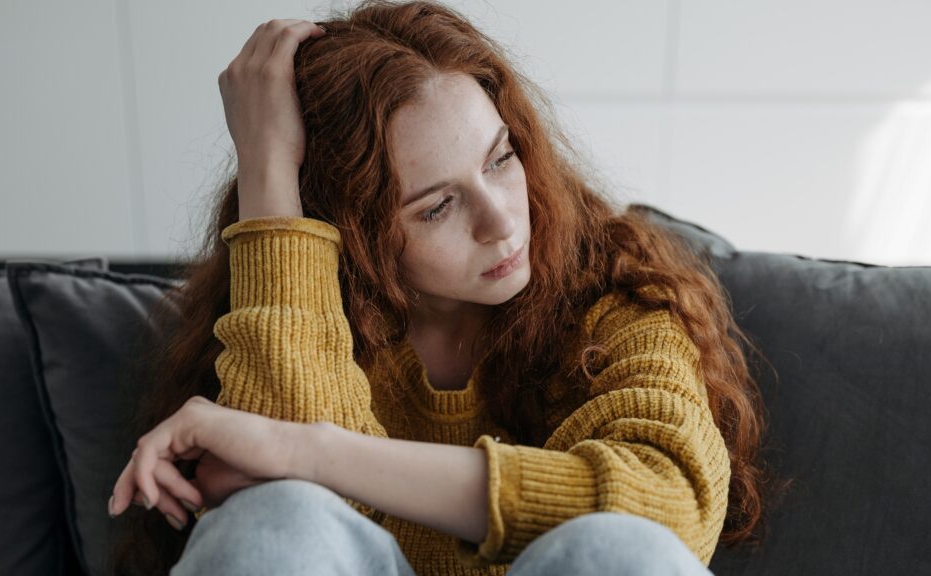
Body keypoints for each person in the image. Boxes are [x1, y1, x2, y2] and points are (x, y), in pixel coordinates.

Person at [106, 1, 779, 575]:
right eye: (436, 207)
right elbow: (282, 514)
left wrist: (313, 451)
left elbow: (668, 510)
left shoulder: (611, 293)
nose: (501, 221)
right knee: (275, 519)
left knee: (617, 549)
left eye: (501, 158)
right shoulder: (322, 315)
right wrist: (268, 170)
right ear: (354, 231)